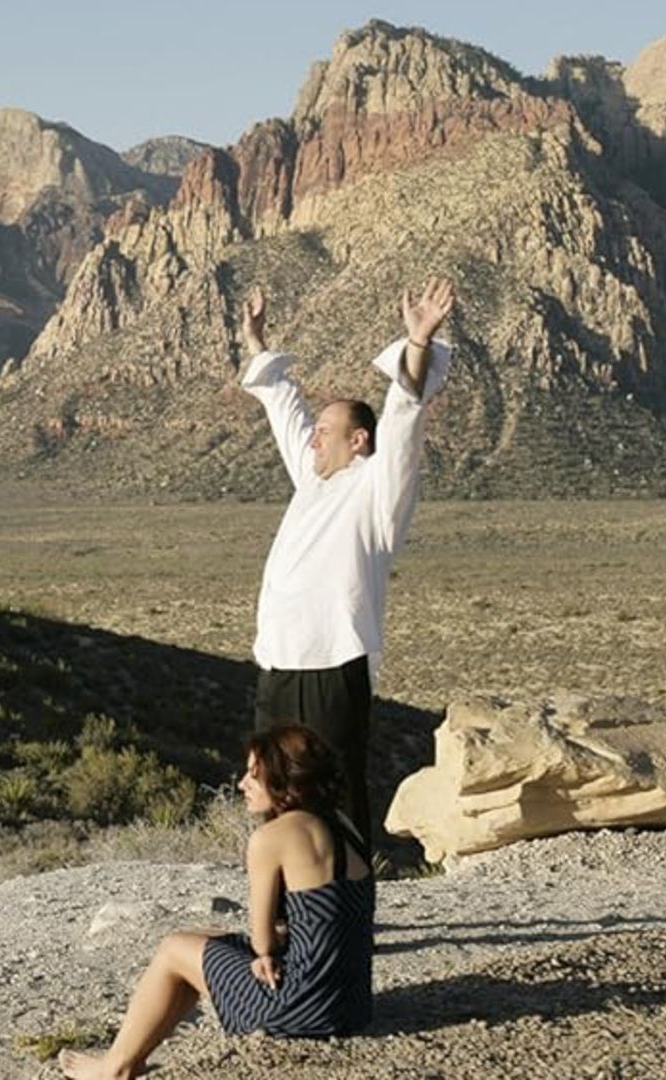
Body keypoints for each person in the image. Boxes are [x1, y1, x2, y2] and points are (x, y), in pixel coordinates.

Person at [238, 279, 455, 842]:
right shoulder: (312, 478)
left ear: (358, 440)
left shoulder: (379, 490)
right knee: (272, 784)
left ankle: (346, 905)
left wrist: (417, 343)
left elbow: (405, 416)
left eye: (326, 431)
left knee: (332, 786)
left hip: (334, 661)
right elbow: (284, 405)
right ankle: (284, 905)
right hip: (279, 660)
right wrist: (257, 342)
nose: (312, 438)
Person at [58, 725, 375, 1080]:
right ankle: (132, 1056)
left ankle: (116, 1067)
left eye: (253, 775)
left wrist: (264, 952)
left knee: (173, 948)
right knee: (206, 937)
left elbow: (262, 941)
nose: (242, 784)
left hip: (301, 1009)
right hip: (352, 1005)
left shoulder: (272, 837)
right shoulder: (344, 824)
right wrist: (272, 948)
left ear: (285, 780)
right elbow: (327, 917)